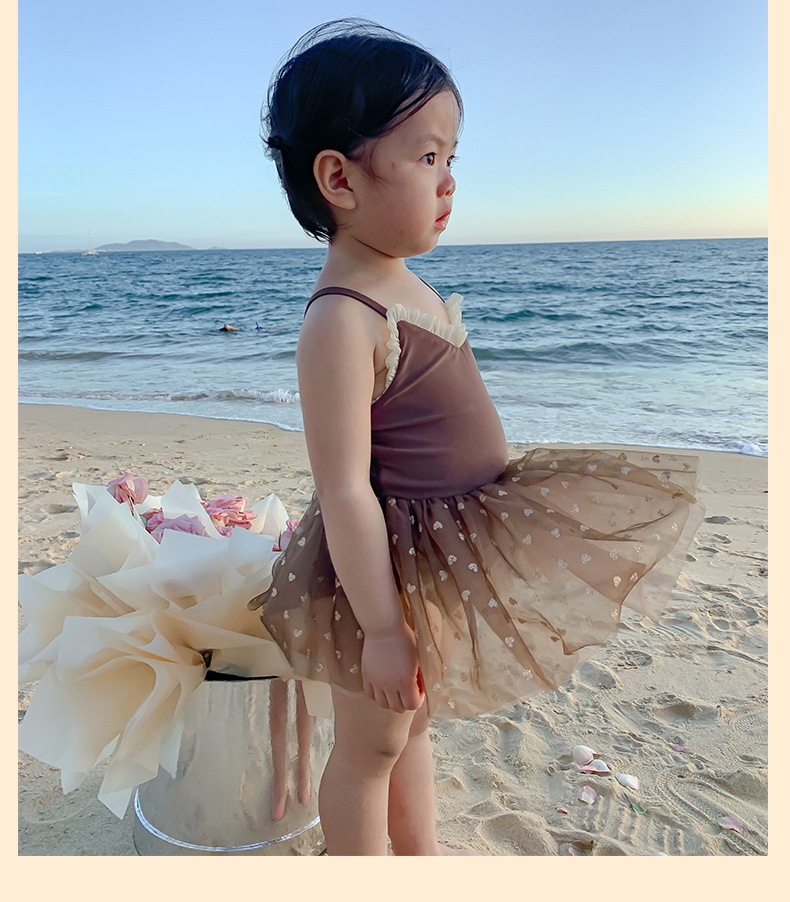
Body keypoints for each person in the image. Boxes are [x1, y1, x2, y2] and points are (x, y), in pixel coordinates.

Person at [248, 17, 704, 856]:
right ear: (340, 179)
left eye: (452, 157)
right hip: (377, 575)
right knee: (370, 747)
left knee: (412, 724)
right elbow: (344, 488)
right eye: (428, 157)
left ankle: (419, 857)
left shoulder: (403, 282)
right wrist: (383, 629)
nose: (450, 179)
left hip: (441, 554)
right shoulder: (342, 319)